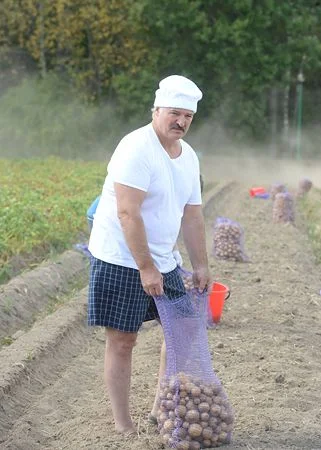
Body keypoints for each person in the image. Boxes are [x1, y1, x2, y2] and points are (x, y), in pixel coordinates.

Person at [88, 74, 211, 435]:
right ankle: (123, 425)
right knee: (123, 339)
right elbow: (128, 212)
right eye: (175, 113)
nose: (181, 122)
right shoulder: (135, 148)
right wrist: (146, 268)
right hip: (121, 257)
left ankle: (160, 407)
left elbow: (192, 213)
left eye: (188, 116)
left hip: (163, 256)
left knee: (183, 330)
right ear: (156, 110)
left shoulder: (188, 157)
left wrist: (201, 264)